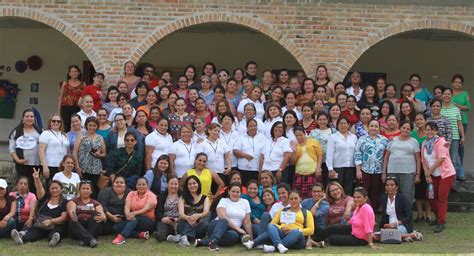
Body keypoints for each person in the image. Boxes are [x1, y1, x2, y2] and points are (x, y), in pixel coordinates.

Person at [195, 183, 252, 251]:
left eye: (237, 192)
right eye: (233, 191)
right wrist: (238, 229)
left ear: (241, 193)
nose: (235, 194)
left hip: (230, 231)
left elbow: (247, 222)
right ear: (229, 191)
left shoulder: (245, 202)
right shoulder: (223, 201)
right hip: (216, 226)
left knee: (234, 236)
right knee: (224, 220)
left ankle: (204, 242)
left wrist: (251, 239)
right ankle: (213, 242)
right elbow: (222, 216)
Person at [422, 122, 456, 233]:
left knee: (442, 198)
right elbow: (424, 160)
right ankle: (438, 217)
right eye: (427, 129)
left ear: (436, 131)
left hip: (445, 174)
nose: (429, 132)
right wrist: (427, 174)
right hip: (433, 175)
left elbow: (441, 159)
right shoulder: (424, 143)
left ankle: (441, 222)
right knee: (430, 196)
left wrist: (429, 171)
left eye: (432, 129)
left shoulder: (441, 142)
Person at [10, 180, 67, 247]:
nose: (54, 190)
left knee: (56, 232)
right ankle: (21, 239)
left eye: (56, 188)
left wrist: (51, 221)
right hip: (40, 225)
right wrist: (36, 178)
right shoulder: (45, 199)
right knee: (32, 234)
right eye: (52, 188)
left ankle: (54, 240)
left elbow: (63, 217)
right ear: (49, 189)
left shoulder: (64, 202)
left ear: (61, 190)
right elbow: (39, 187)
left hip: (55, 225)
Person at [383, 120, 421, 205]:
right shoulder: (392, 140)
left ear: (411, 131)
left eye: (408, 129)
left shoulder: (414, 141)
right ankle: (393, 214)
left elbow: (418, 159)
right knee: (392, 193)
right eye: (404, 127)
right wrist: (384, 172)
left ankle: (407, 216)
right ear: (400, 128)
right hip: (392, 171)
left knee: (407, 194)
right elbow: (386, 157)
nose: (405, 130)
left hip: (408, 172)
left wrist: (418, 174)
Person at [355, 120, 389, 211]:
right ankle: (361, 210)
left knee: (375, 192)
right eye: (371, 126)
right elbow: (357, 154)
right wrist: (358, 170)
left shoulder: (384, 140)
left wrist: (384, 172)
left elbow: (387, 155)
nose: (373, 128)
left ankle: (372, 211)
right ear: (368, 127)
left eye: (376, 126)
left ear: (378, 128)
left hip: (378, 170)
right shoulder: (362, 139)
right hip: (364, 170)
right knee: (363, 191)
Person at [112, 177, 156, 245]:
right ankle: (140, 234)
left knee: (134, 219)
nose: (141, 186)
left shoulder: (151, 196)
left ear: (147, 186)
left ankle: (122, 237)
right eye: (139, 184)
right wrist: (127, 214)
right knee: (116, 228)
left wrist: (133, 213)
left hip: (148, 222)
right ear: (136, 186)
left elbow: (146, 209)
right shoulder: (131, 193)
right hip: (133, 220)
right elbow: (127, 206)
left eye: (143, 184)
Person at [379, 177, 423, 242]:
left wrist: (396, 224)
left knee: (390, 233)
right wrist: (384, 225)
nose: (389, 187)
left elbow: (409, 216)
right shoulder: (383, 198)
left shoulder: (403, 198)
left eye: (392, 185)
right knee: (378, 235)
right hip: (388, 225)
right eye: (387, 185)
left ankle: (407, 235)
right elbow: (384, 216)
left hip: (401, 225)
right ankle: (409, 236)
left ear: (396, 187)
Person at [9, 109, 42, 193]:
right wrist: (17, 160)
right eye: (27, 116)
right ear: (23, 118)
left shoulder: (40, 131)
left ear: (34, 118)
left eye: (31, 116)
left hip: (36, 165)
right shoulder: (16, 131)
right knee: (22, 187)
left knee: (34, 187)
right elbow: (11, 149)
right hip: (22, 165)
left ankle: (34, 205)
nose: (29, 118)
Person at [67, 181, 106, 247]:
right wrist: (74, 216)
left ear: (91, 191)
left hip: (92, 227)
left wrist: (102, 216)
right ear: (79, 190)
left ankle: (86, 240)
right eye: (83, 188)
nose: (85, 190)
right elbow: (72, 212)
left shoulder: (95, 203)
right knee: (73, 220)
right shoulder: (73, 201)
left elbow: (102, 214)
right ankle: (90, 239)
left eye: (87, 189)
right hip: (77, 229)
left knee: (97, 214)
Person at [173, 176, 210, 246]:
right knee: (184, 222)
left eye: (194, 183)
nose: (192, 185)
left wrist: (198, 216)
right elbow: (181, 214)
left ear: (198, 184)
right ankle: (185, 237)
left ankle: (181, 237)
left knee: (204, 224)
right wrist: (189, 218)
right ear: (187, 186)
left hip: (199, 226)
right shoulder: (182, 198)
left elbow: (206, 212)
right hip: (184, 224)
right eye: (189, 184)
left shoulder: (205, 198)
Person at [73, 117, 106, 193]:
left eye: (94, 126)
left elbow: (104, 154)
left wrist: (98, 155)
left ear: (97, 126)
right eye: (90, 125)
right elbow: (75, 152)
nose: (92, 127)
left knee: (93, 189)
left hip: (96, 169)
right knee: (83, 188)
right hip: (83, 167)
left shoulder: (100, 138)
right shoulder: (81, 136)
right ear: (86, 126)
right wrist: (77, 166)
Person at [410, 112, 433, 223]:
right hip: (416, 165)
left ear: (425, 121)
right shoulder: (412, 134)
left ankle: (428, 214)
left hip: (428, 166)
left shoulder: (429, 134)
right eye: (417, 119)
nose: (419, 121)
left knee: (427, 191)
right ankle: (419, 214)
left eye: (421, 119)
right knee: (418, 192)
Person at [440, 88, 465, 186]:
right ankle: (443, 182)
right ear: (442, 95)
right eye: (445, 94)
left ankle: (452, 184)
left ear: (451, 96)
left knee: (453, 160)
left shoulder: (456, 109)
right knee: (442, 159)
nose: (447, 96)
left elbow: (459, 124)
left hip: (454, 138)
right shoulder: (439, 108)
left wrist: (462, 136)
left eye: (449, 94)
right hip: (441, 138)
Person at [326, 117, 357, 195]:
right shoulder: (333, 137)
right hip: (337, 168)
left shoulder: (354, 137)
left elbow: (356, 153)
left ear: (348, 125)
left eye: (345, 123)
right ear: (337, 125)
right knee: (337, 189)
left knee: (349, 189)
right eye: (341, 124)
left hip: (351, 167)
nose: (343, 125)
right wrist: (330, 169)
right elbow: (329, 153)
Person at [292, 126, 323, 199]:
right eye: (297, 135)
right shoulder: (295, 144)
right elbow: (293, 162)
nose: (299, 137)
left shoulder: (313, 141)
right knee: (299, 196)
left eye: (301, 135)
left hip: (312, 172)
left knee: (313, 195)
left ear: (305, 133)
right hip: (299, 173)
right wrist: (294, 151)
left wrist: (318, 168)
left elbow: (320, 155)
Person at [233, 119, 267, 185]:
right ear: (247, 127)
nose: (253, 128)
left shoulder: (263, 138)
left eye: (254, 126)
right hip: (243, 169)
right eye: (251, 126)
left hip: (257, 169)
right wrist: (245, 155)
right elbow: (235, 150)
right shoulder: (241, 138)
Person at [309, 112, 337, 186]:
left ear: (328, 120)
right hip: (317, 162)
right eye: (320, 119)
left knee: (330, 183)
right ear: (317, 121)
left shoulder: (333, 131)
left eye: (324, 119)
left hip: (331, 162)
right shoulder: (313, 132)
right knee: (319, 183)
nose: (322, 121)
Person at [39, 114, 69, 181]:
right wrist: (45, 166)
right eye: (54, 121)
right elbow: (41, 151)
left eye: (58, 121)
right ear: (50, 122)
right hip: (50, 165)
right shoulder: (45, 133)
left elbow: (67, 151)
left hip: (62, 166)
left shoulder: (65, 135)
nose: (56, 123)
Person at [152, 176, 180, 242]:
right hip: (165, 220)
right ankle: (161, 236)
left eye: (175, 184)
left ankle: (171, 236)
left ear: (178, 185)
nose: (173, 186)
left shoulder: (182, 196)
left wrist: (178, 219)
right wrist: (162, 218)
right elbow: (157, 212)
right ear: (167, 184)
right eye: (171, 184)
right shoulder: (162, 196)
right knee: (161, 224)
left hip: (178, 221)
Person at [302, 183, 329, 249]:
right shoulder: (305, 202)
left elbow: (312, 214)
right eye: (314, 191)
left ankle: (310, 241)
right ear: (311, 192)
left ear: (323, 192)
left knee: (310, 219)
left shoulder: (325, 205)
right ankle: (314, 243)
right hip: (305, 227)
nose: (316, 193)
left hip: (318, 229)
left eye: (319, 191)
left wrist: (319, 201)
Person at [58, 65, 85, 131]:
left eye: (75, 71)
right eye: (72, 71)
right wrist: (58, 111)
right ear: (69, 73)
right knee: (66, 127)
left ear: (78, 73)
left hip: (77, 109)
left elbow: (84, 98)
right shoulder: (65, 83)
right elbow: (60, 97)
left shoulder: (83, 84)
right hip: (65, 108)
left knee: (76, 126)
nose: (74, 73)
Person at [451, 74, 471, 164]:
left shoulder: (465, 93)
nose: (457, 84)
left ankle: (460, 169)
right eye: (455, 82)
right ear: (452, 83)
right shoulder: (449, 93)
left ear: (462, 84)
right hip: (450, 121)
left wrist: (459, 106)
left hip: (462, 121)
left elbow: (468, 106)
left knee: (460, 144)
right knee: (450, 144)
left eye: (459, 83)